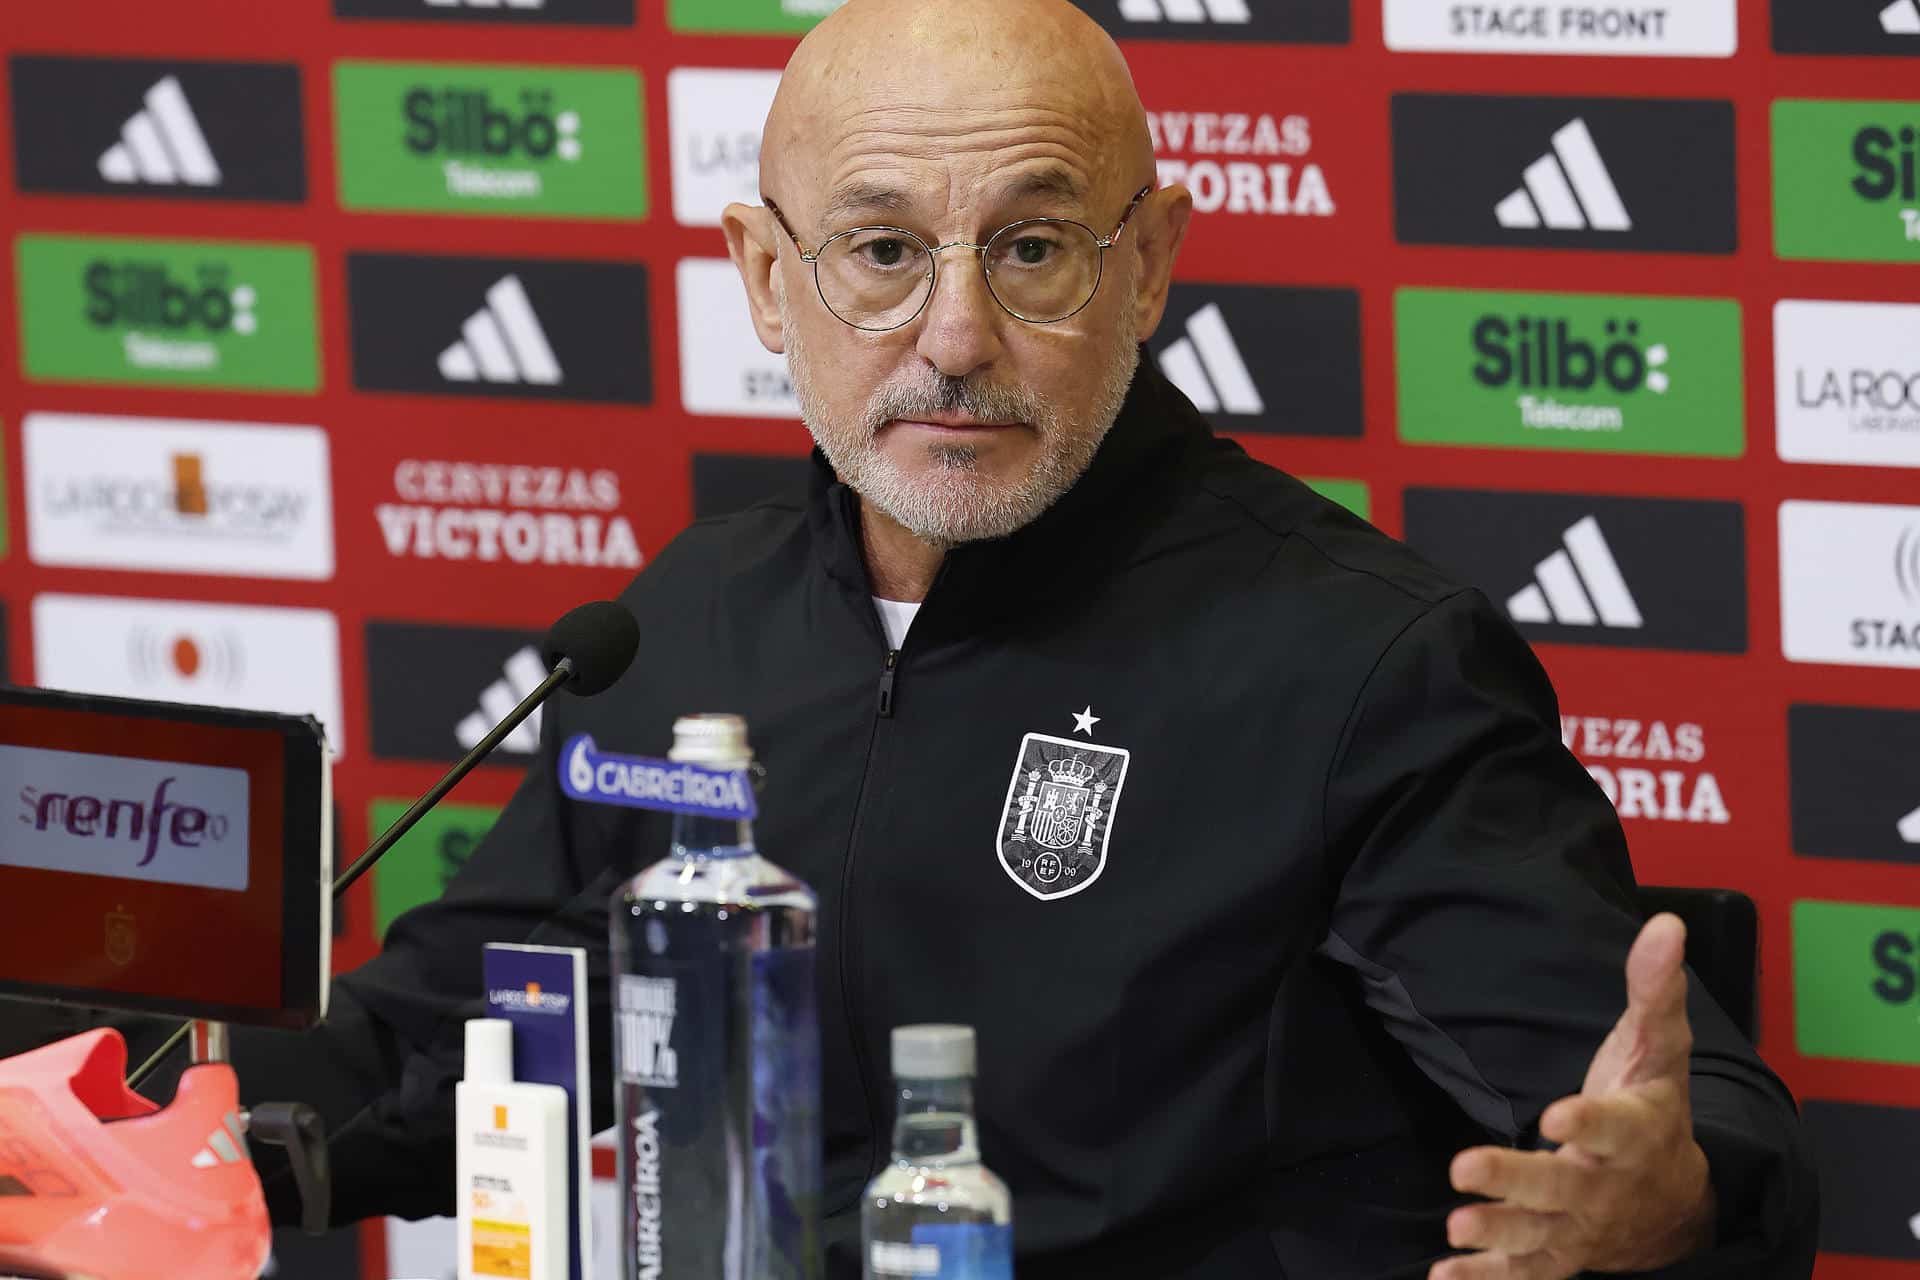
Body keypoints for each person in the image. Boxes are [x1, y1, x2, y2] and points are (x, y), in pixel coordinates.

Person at [218, 0, 1818, 1274]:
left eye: (1034, 246)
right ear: (768, 279)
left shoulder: (1361, 667)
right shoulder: (686, 618)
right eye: (884, 251)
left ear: (1150, 267)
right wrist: (189, 1139)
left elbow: (1673, 1119)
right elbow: (464, 1022)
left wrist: (1672, 1200)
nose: (959, 334)